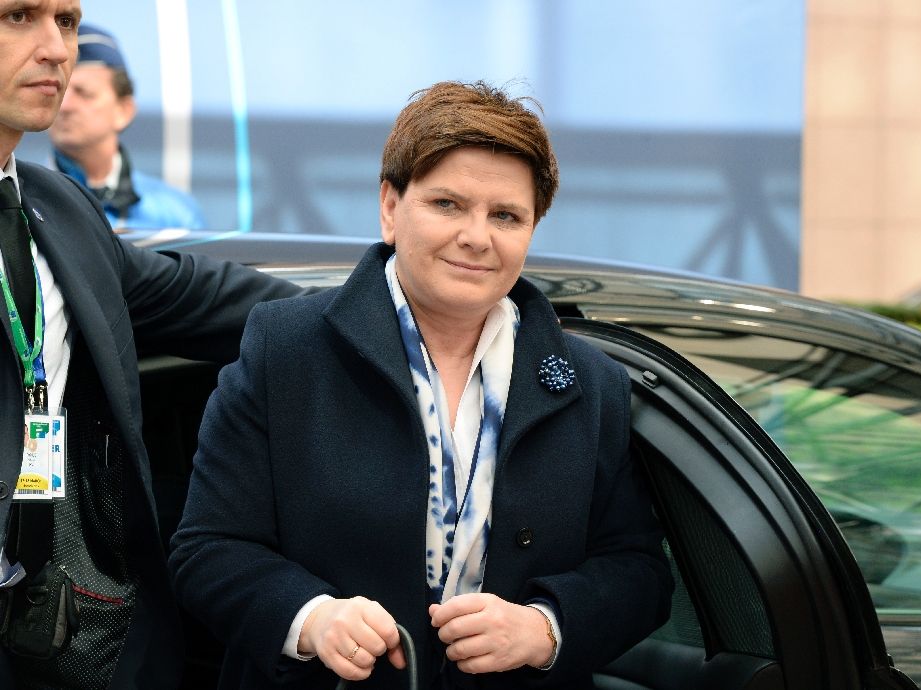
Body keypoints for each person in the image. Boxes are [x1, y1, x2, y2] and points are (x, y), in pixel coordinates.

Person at [169, 80, 673, 689]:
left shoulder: (590, 385)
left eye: (506, 216)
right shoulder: (285, 348)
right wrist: (312, 618)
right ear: (390, 207)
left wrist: (544, 628)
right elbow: (207, 549)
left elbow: (639, 573)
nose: (476, 236)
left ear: (531, 229)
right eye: (447, 205)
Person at [0, 3, 304, 688]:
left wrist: (394, 304)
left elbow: (201, 297)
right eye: (20, 16)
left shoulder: (60, 206)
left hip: (67, 626)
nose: (56, 49)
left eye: (68, 21)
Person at [48, 23, 205, 230]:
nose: (64, 105)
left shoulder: (175, 215)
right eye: (57, 90)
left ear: (124, 110)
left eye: (84, 93)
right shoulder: (18, 202)